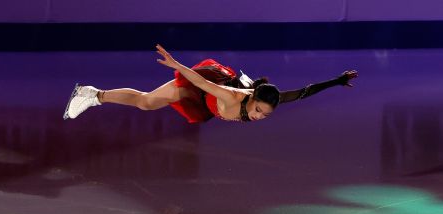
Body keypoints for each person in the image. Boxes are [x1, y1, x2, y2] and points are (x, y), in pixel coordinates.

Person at [64, 44, 358, 124]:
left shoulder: (271, 99)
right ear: (251, 97)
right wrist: (176, 65)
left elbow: (305, 92)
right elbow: (197, 81)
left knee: (148, 105)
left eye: (264, 115)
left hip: (210, 105)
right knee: (146, 103)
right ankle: (92, 94)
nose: (259, 116)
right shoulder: (231, 96)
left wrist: (337, 81)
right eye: (258, 110)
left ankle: (94, 94)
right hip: (203, 85)